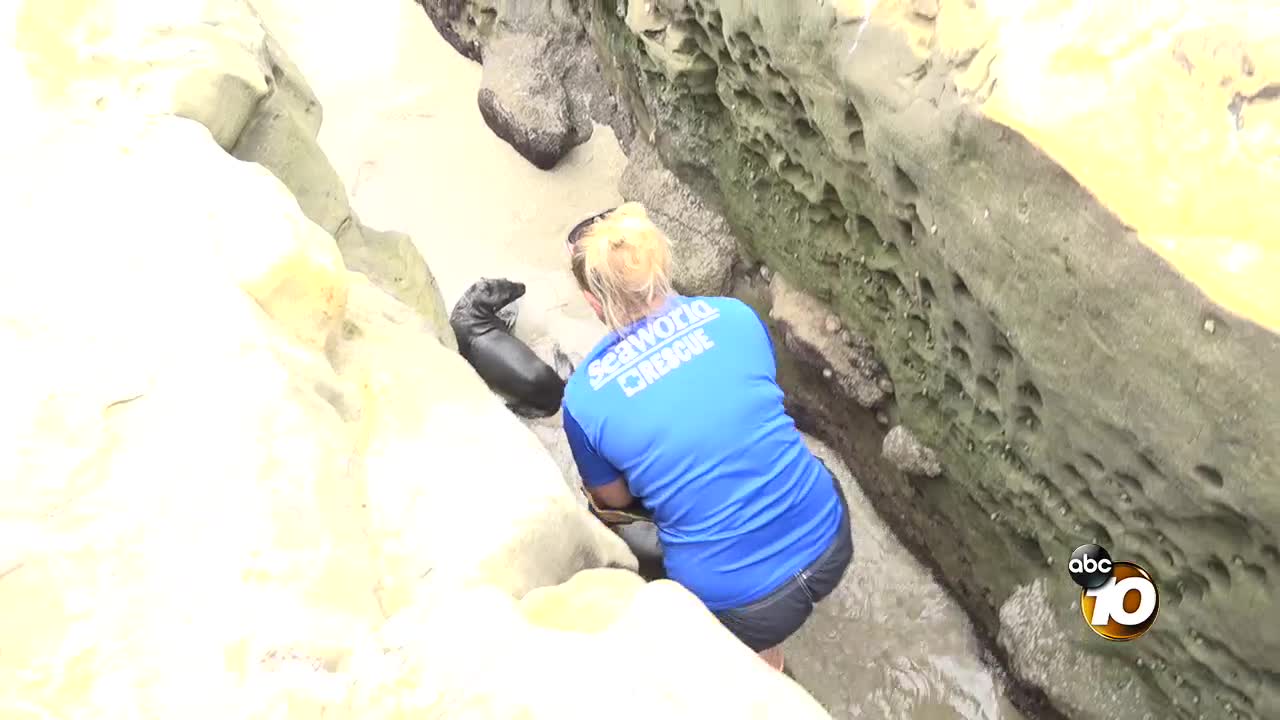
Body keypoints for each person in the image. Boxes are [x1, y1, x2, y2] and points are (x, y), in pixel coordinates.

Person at [560, 201, 854, 672]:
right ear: (662, 266)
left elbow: (616, 502)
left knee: (610, 503)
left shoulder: (583, 397)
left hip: (739, 603)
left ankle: (760, 662)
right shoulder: (735, 316)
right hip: (833, 537)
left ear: (594, 302)